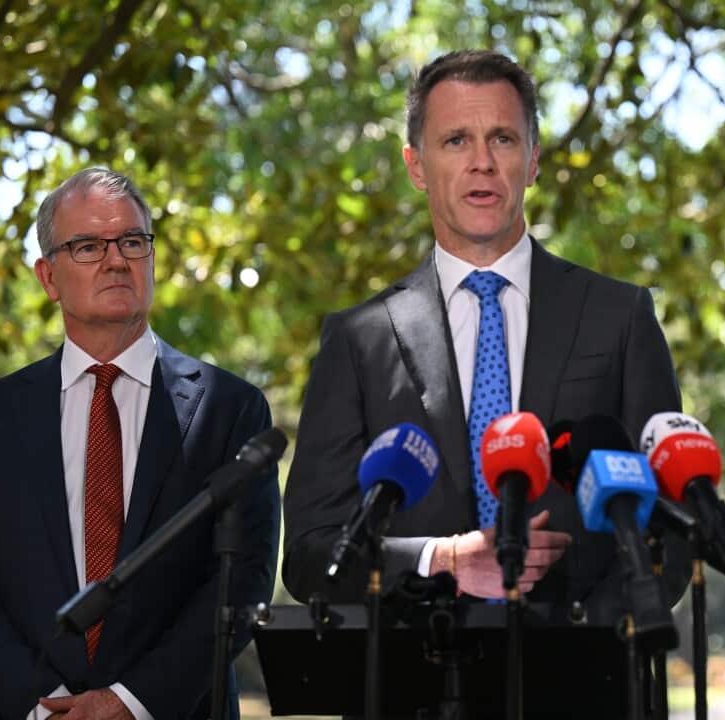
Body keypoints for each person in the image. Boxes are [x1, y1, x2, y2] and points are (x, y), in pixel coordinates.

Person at [282, 50, 688, 612]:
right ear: (416, 166)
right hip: (415, 661)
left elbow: (670, 532)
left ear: (533, 159)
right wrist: (442, 559)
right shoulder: (358, 340)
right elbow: (310, 554)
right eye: (456, 140)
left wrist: (581, 638)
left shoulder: (620, 316)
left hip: (581, 658)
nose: (482, 162)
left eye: (503, 139)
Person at [0, 168, 281, 720]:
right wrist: (42, 706)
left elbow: (243, 578)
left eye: (132, 241)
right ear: (48, 277)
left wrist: (130, 703)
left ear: (152, 259)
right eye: (88, 246)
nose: (116, 260)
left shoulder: (231, 408)